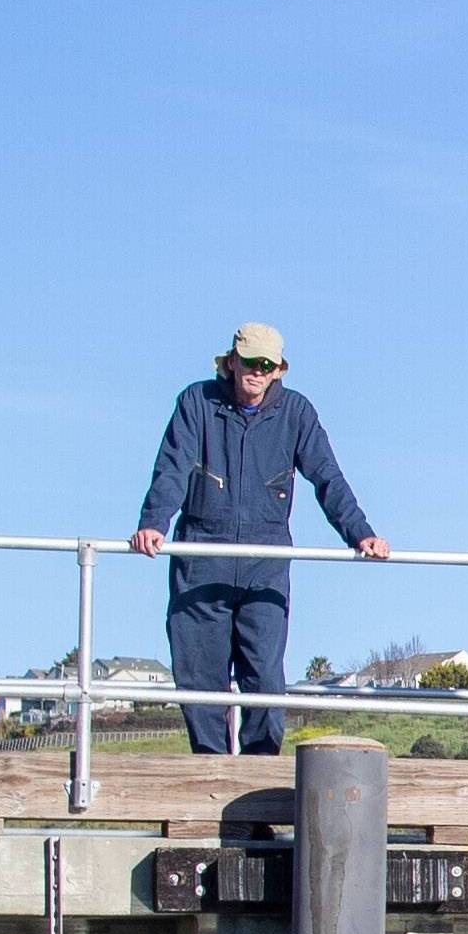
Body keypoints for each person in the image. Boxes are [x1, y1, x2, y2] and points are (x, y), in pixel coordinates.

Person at [129, 323, 388, 756]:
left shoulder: (297, 413)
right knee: (199, 680)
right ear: (231, 362)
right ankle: (211, 779)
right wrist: (154, 521)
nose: (256, 372)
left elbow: (327, 477)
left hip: (264, 564)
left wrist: (361, 534)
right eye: (249, 362)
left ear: (278, 370)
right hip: (201, 561)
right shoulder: (197, 402)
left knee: (264, 679)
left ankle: (257, 790)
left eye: (266, 365)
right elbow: (172, 467)